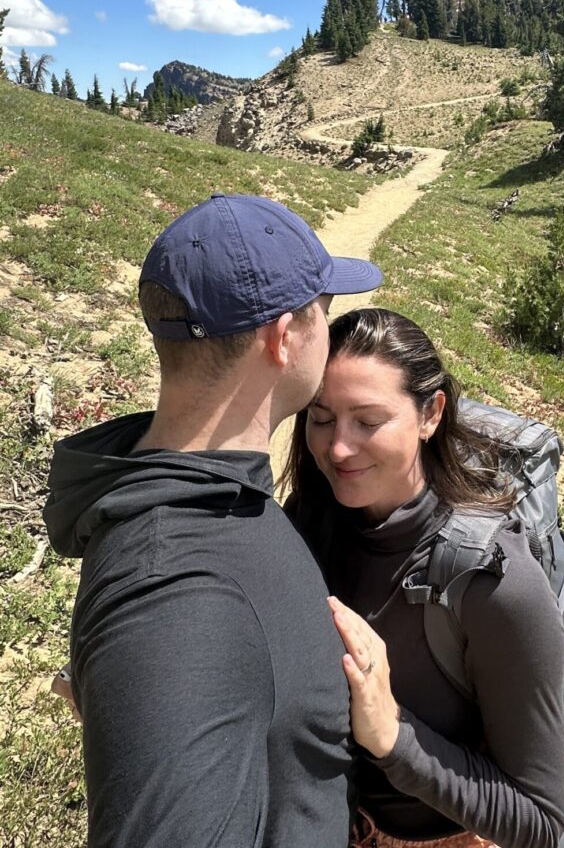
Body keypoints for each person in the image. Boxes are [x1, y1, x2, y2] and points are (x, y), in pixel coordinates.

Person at [43, 192, 382, 848]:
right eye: (324, 308)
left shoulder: (194, 501)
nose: (331, 322)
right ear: (283, 338)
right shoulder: (178, 597)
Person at [284, 307, 564, 848]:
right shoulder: (313, 515)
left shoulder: (493, 585)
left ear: (430, 414)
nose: (338, 447)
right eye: (321, 418)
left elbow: (539, 820)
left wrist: (394, 736)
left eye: (368, 421)